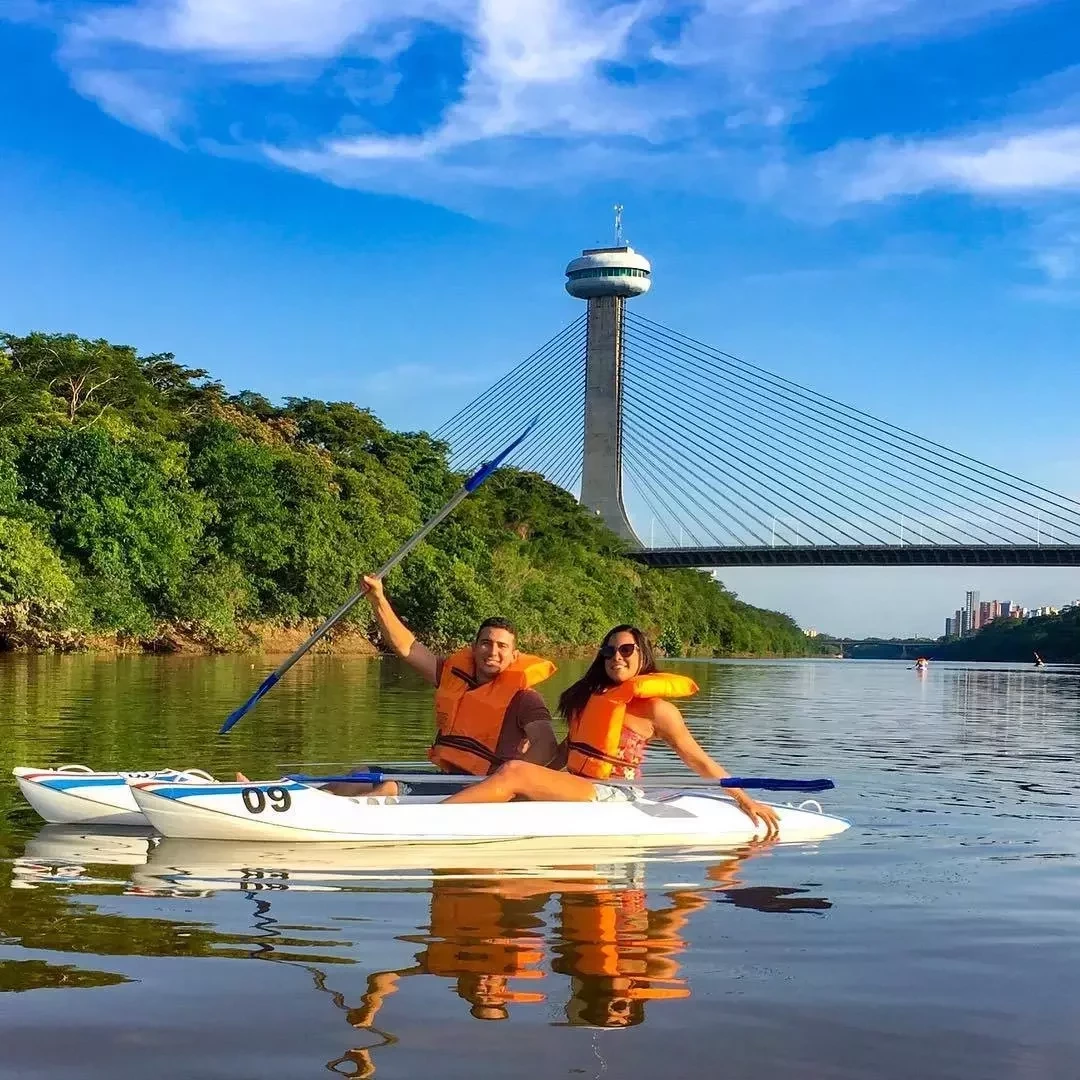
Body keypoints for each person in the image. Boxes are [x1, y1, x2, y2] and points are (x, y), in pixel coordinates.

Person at [442, 624, 782, 838]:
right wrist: (513, 780)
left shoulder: (658, 710)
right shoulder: (592, 699)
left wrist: (744, 800)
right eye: (609, 651)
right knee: (514, 774)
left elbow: (699, 761)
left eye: (626, 650)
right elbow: (564, 754)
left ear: (641, 655)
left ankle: (436, 817)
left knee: (516, 771)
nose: (616, 657)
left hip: (616, 795)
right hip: (579, 786)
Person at [329, 576, 560, 796]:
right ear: (474, 648)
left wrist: (507, 781)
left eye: (502, 646)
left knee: (390, 788)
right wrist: (378, 598)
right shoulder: (453, 676)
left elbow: (546, 745)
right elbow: (407, 648)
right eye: (486, 643)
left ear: (514, 655)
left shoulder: (525, 698)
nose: (492, 651)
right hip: (448, 778)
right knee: (360, 776)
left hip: (484, 787)